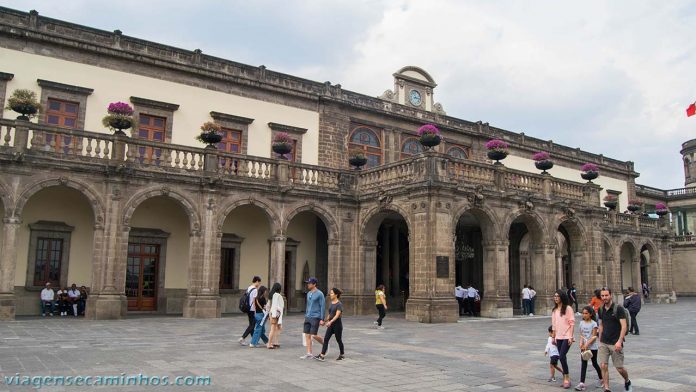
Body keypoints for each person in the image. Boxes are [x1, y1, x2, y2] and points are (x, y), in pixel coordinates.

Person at [598, 287, 632, 392]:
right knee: (603, 365)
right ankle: (607, 388)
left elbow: (624, 326)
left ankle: (627, 380)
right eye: (602, 296)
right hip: (604, 341)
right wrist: (600, 340)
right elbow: (601, 325)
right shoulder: (600, 309)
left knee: (619, 368)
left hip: (615, 342)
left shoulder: (618, 309)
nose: (604, 298)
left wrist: (619, 341)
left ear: (610, 295)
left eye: (606, 295)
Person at [575, 306, 603, 391]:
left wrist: (587, 344)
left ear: (590, 314)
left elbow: (594, 336)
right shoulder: (581, 323)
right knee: (584, 364)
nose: (584, 315)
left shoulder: (594, 323)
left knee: (594, 363)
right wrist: (581, 343)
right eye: (583, 313)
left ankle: (601, 378)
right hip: (584, 347)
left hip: (592, 347)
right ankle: (582, 383)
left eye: (586, 313)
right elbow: (581, 335)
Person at [552, 289, 575, 389]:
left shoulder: (568, 308)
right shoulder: (554, 310)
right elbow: (554, 325)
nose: (556, 298)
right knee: (563, 357)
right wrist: (553, 336)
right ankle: (566, 377)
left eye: (557, 296)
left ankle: (566, 378)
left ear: (562, 297)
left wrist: (570, 336)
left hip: (567, 336)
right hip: (558, 337)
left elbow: (572, 323)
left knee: (561, 356)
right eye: (555, 296)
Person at [315, 288, 345, 361]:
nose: (330, 294)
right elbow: (330, 314)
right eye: (330, 293)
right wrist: (324, 321)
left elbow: (337, 316)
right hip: (331, 325)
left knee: (339, 340)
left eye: (331, 293)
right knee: (326, 339)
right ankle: (322, 355)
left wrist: (330, 322)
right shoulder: (331, 303)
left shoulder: (339, 304)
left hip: (337, 325)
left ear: (336, 295)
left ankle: (342, 354)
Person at [300, 277, 325, 359]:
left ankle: (325, 344)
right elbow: (308, 305)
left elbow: (322, 307)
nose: (308, 284)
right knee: (307, 335)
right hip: (308, 316)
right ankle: (309, 353)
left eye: (309, 283)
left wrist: (322, 319)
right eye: (307, 283)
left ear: (314, 284)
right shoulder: (308, 293)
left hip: (316, 317)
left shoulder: (320, 294)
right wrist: (306, 315)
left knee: (313, 335)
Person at [238, 276, 261, 346]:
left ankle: (254, 340)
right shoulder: (255, 290)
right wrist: (255, 311)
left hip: (248, 308)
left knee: (252, 324)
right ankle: (242, 338)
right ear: (256, 281)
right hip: (252, 309)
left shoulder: (249, 287)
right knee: (252, 325)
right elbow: (254, 301)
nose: (259, 284)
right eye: (259, 282)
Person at [267, 283, 284, 349]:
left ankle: (275, 342)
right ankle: (270, 343)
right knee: (274, 328)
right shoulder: (277, 295)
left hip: (272, 313)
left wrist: (269, 314)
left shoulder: (270, 295)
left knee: (277, 328)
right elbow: (277, 306)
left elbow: (268, 306)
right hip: (275, 314)